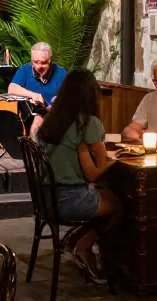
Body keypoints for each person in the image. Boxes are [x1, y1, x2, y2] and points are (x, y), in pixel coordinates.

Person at [35, 69, 123, 282]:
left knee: (106, 194)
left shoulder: (52, 120)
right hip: (69, 199)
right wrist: (115, 159)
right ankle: (83, 246)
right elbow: (94, 172)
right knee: (121, 205)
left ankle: (72, 241)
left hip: (45, 199)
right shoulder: (87, 122)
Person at [7, 42, 67, 134]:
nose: (38, 67)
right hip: (29, 116)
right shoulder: (24, 69)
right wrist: (33, 95)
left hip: (56, 116)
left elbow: (69, 97)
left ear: (50, 60)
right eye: (35, 62)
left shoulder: (61, 73)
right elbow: (12, 88)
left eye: (43, 63)